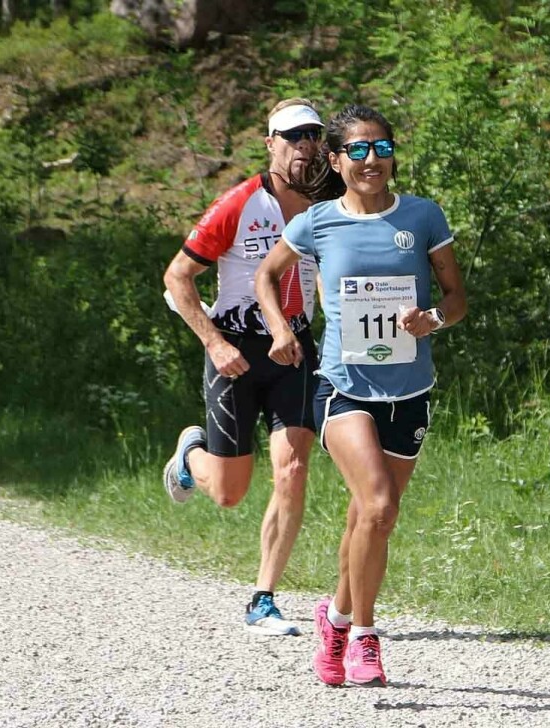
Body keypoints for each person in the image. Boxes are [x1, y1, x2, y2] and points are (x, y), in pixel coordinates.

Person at [254, 104, 467, 685]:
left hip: (410, 390)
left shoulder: (423, 217)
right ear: (336, 158)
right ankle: (366, 638)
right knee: (378, 505)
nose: (373, 160)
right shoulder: (318, 222)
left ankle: (337, 619)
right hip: (343, 388)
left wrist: (432, 320)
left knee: (370, 522)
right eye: (359, 150)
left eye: (383, 148)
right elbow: (266, 276)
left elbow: (456, 300)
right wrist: (279, 330)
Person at [161, 98, 324, 636]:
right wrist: (213, 344)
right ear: (270, 143)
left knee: (292, 470)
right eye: (291, 136)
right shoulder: (238, 202)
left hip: (295, 350)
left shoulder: (329, 205)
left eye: (312, 136)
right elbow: (177, 278)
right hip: (235, 350)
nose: (303, 146)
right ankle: (191, 455)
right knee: (230, 493)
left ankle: (263, 597)